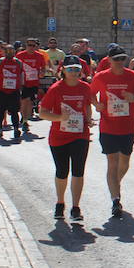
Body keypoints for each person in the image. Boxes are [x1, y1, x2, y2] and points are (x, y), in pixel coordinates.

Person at [92, 45, 134, 218]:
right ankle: (116, 199)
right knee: (112, 162)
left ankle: (114, 183)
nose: (119, 62)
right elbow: (90, 94)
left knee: (125, 163)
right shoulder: (100, 77)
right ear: (108, 60)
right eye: (116, 59)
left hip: (128, 127)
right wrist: (97, 105)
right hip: (108, 126)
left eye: (122, 59)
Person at [38, 56, 93, 222]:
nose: (74, 73)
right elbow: (42, 112)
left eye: (77, 69)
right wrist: (60, 117)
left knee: (78, 171)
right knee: (62, 172)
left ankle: (76, 207)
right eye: (71, 69)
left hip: (80, 135)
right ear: (63, 70)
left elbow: (87, 105)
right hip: (59, 137)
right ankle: (60, 203)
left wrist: (89, 119)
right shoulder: (55, 89)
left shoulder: (85, 87)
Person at [0, 43, 24, 140]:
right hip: (1, 90)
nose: (9, 53)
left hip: (14, 91)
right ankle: (0, 129)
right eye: (7, 51)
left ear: (14, 52)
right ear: (4, 52)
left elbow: (21, 74)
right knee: (1, 110)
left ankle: (15, 129)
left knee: (14, 111)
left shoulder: (18, 62)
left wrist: (21, 86)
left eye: (11, 51)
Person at [16, 38, 46, 133]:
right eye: (30, 45)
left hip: (34, 82)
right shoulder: (20, 55)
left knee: (29, 102)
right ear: (26, 46)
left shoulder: (40, 56)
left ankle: (25, 119)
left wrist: (42, 73)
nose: (31, 47)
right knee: (24, 101)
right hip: (23, 83)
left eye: (34, 45)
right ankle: (24, 120)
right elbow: (16, 68)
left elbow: (43, 67)